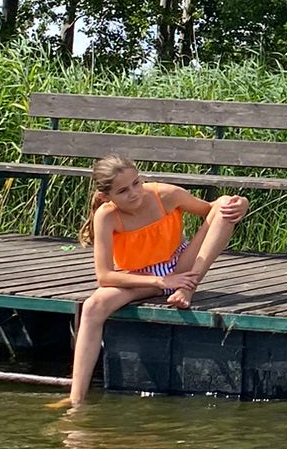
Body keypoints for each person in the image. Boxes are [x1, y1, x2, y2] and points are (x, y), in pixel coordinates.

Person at [68, 157, 248, 408]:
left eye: (136, 183)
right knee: (91, 307)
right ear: (106, 196)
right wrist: (161, 281)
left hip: (181, 265)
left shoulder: (166, 194)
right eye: (123, 191)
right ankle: (75, 400)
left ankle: (188, 288)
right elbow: (105, 276)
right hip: (140, 276)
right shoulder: (106, 216)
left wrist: (241, 203)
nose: (134, 193)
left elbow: (213, 209)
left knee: (226, 206)